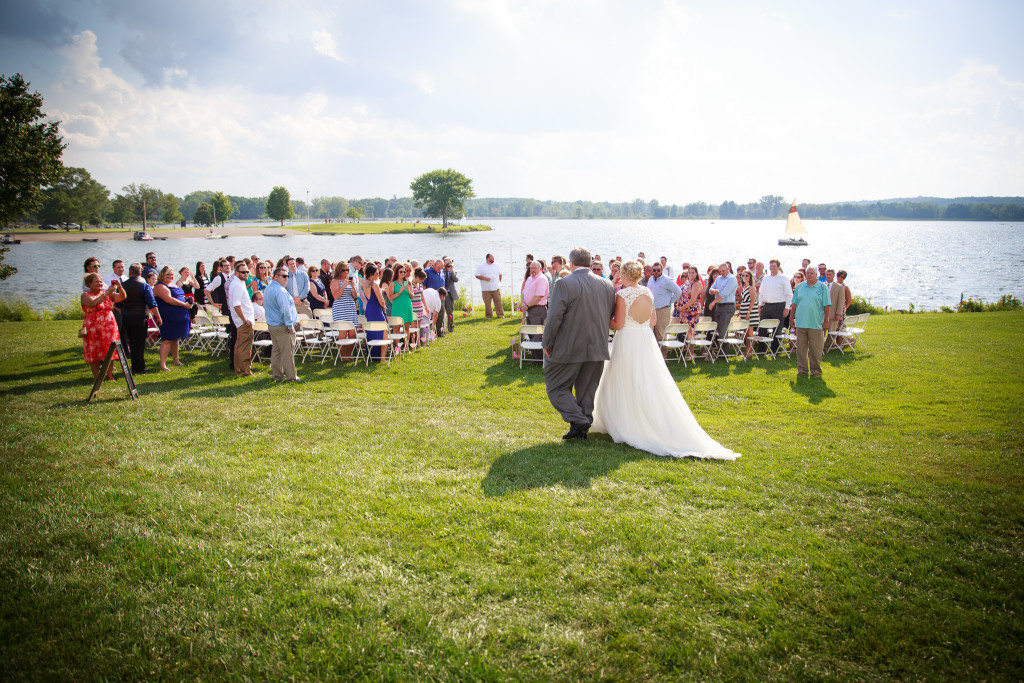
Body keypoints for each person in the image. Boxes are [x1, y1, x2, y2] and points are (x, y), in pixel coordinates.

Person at [590, 261, 740, 459]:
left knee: (623, 377)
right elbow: (652, 321)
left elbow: (617, 324)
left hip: (627, 339)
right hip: (645, 339)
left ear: (625, 276)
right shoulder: (648, 293)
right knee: (648, 378)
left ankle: (626, 421)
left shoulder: (622, 294)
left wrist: (602, 318)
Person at [542, 246, 615, 441]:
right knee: (586, 390)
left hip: (569, 347)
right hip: (598, 346)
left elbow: (554, 317)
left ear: (571, 263)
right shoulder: (607, 285)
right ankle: (580, 428)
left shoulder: (564, 284)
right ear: (591, 263)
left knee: (556, 387)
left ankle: (579, 420)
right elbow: (608, 314)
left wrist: (547, 343)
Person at [81, 273, 126, 380]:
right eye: (97, 281)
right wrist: (107, 293)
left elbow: (122, 297)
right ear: (89, 284)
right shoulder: (86, 295)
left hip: (109, 327)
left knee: (109, 349)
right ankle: (96, 376)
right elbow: (93, 303)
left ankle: (109, 375)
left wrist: (119, 287)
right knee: (94, 351)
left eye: (101, 281)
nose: (100, 283)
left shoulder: (107, 293)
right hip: (93, 327)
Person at [118, 263, 161, 374]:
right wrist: (158, 317)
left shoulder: (122, 285)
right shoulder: (144, 285)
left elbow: (117, 304)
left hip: (126, 318)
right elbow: (152, 303)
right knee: (139, 344)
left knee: (130, 343)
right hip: (140, 318)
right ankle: (138, 368)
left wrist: (123, 312)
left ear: (129, 272)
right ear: (140, 273)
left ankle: (132, 366)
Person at [791, 265, 831, 377]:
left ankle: (816, 370)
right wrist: (791, 318)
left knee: (816, 349)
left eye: (811, 273)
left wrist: (826, 321)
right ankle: (802, 369)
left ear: (816, 274)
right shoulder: (800, 287)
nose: (809, 275)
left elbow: (827, 305)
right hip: (801, 322)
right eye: (807, 273)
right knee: (801, 349)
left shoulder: (823, 288)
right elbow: (794, 303)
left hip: (816, 323)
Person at [264, 267, 300, 381]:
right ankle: (292, 377)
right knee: (287, 352)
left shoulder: (269, 288)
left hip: (273, 325)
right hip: (282, 326)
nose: (286, 278)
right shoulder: (280, 290)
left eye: (287, 276)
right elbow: (285, 309)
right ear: (276, 277)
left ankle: (277, 375)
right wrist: (290, 326)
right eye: (284, 276)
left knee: (277, 351)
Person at [153, 266, 192, 371]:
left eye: (171, 274)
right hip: (168, 316)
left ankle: (176, 360)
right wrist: (184, 305)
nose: (170, 276)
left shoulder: (174, 285)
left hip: (179, 316)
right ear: (162, 275)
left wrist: (187, 301)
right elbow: (168, 299)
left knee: (175, 338)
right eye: (168, 274)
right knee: (167, 339)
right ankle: (162, 364)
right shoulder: (160, 286)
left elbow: (180, 296)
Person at [757, 258, 792, 354]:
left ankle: (774, 351)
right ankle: (761, 351)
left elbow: (789, 294)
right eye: (771, 266)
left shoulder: (784, 278)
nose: (772, 268)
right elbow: (761, 292)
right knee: (763, 328)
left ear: (778, 267)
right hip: (767, 305)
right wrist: (760, 305)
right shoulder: (766, 278)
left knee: (777, 329)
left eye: (774, 266)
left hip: (779, 306)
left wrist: (787, 307)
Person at [228, 262, 256, 377]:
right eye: (243, 272)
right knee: (244, 347)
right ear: (236, 273)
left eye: (247, 272)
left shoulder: (238, 283)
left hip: (242, 321)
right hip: (244, 322)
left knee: (240, 346)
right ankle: (245, 371)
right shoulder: (238, 285)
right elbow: (236, 305)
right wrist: (245, 320)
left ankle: (239, 369)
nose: (246, 274)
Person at [646, 261, 681, 343]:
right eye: (654, 270)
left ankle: (663, 355)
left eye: (658, 270)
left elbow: (678, 291)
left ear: (662, 270)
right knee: (651, 335)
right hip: (651, 310)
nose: (656, 272)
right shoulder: (650, 279)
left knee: (661, 335)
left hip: (662, 310)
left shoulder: (667, 280)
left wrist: (669, 301)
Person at [361, 263, 389, 360]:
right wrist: (384, 307)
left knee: (372, 331)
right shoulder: (374, 284)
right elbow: (381, 299)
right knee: (383, 331)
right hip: (376, 310)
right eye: (377, 273)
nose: (378, 275)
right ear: (371, 274)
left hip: (369, 308)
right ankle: (382, 358)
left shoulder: (364, 282)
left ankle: (372, 355)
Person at [707, 263, 737, 342]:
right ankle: (717, 349)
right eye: (720, 271)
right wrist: (713, 291)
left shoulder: (732, 279)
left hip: (727, 306)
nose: (721, 273)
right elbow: (711, 289)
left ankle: (723, 353)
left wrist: (713, 302)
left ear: (728, 269)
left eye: (723, 271)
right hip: (719, 305)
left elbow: (724, 294)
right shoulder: (719, 278)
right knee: (717, 328)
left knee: (723, 330)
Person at [388, 263, 416, 347]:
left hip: (407, 307)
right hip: (397, 307)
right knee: (396, 328)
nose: (403, 273)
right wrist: (399, 292)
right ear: (397, 272)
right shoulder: (393, 283)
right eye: (401, 272)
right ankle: (397, 348)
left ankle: (406, 347)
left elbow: (412, 296)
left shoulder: (408, 283)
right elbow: (391, 297)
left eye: (404, 272)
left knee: (406, 328)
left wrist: (408, 290)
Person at [737, 271, 760, 357]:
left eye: (747, 275)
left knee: (749, 332)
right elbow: (744, 300)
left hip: (750, 311)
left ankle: (749, 351)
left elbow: (753, 301)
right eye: (743, 275)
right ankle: (747, 350)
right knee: (745, 332)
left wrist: (748, 312)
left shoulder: (751, 288)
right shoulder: (744, 287)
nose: (745, 277)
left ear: (750, 277)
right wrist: (740, 311)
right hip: (744, 310)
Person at [675, 266, 703, 333]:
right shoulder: (687, 282)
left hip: (692, 311)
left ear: (696, 274)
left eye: (693, 272)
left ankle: (691, 343)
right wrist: (678, 304)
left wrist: (683, 308)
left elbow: (693, 299)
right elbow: (681, 293)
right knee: (683, 332)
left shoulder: (696, 284)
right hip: (684, 312)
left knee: (690, 332)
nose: (691, 274)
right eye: (689, 272)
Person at [475, 253, 503, 318]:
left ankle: (500, 315)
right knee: (487, 304)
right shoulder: (481, 266)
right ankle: (488, 316)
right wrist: (484, 278)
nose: (493, 258)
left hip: (495, 288)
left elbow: (500, 274)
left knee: (498, 302)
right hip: (485, 289)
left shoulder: (497, 265)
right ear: (487, 258)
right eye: (492, 257)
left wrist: (498, 282)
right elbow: (477, 275)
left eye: (493, 257)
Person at [442, 259, 458, 333]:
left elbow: (456, 279)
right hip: (442, 293)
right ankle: (442, 328)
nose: (448, 264)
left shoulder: (452, 271)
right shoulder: (441, 271)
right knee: (441, 311)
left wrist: (451, 271)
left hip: (449, 293)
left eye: (449, 263)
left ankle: (451, 326)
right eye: (446, 263)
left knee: (450, 311)